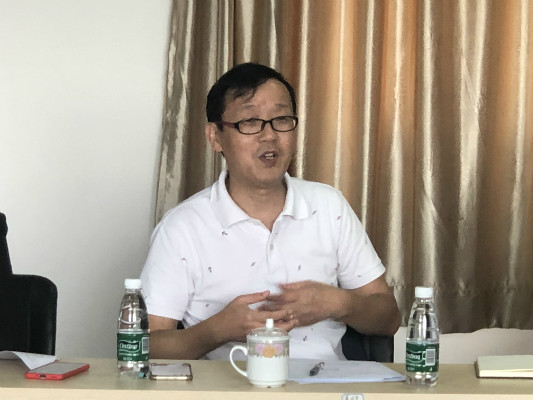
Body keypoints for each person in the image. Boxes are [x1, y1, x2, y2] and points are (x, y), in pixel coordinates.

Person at [140, 62, 400, 360]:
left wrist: (341, 304)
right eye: (250, 121)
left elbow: (389, 318)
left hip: (324, 382)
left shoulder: (329, 206)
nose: (269, 136)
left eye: (281, 119)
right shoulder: (182, 227)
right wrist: (216, 331)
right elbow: (146, 346)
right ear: (215, 137)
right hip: (229, 384)